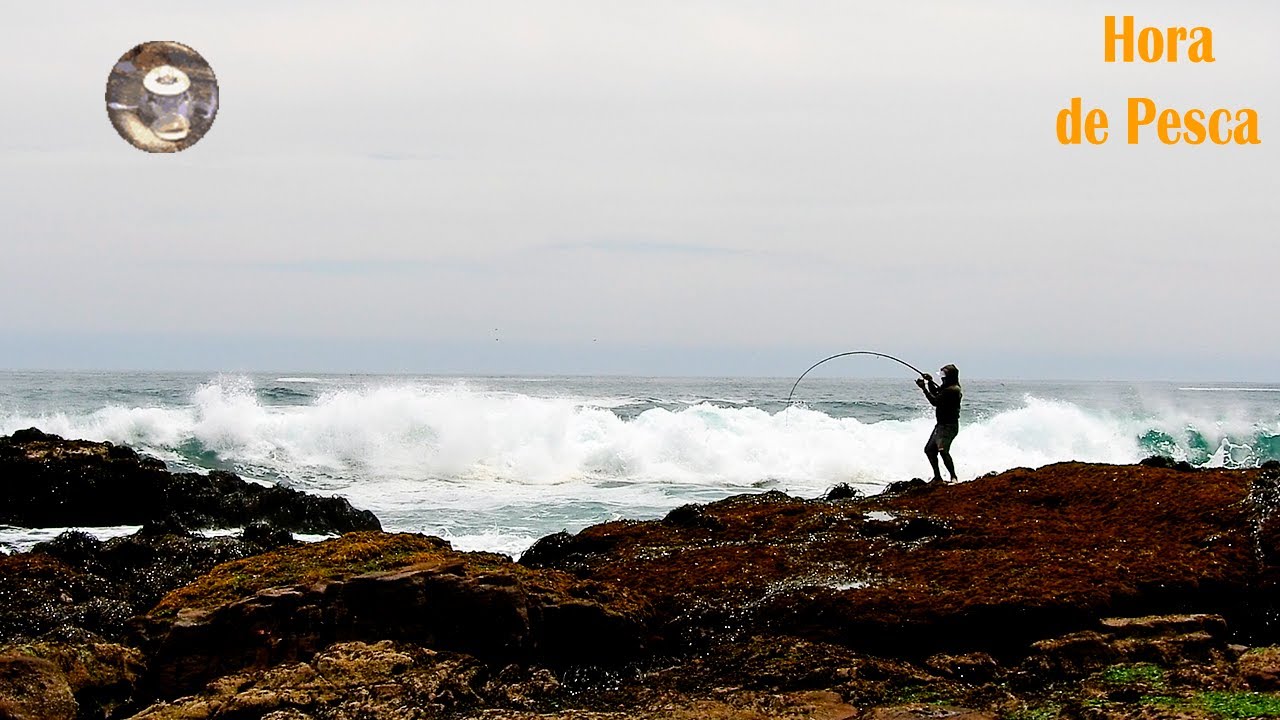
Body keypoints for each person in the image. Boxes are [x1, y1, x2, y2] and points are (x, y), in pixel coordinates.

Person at [915, 364, 962, 483]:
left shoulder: (952, 390)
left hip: (949, 426)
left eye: (943, 375)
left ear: (949, 377)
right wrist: (930, 381)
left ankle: (954, 477)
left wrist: (924, 388)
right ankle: (937, 477)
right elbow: (937, 392)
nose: (942, 378)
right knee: (929, 450)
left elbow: (935, 401)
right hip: (941, 425)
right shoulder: (947, 387)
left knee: (943, 450)